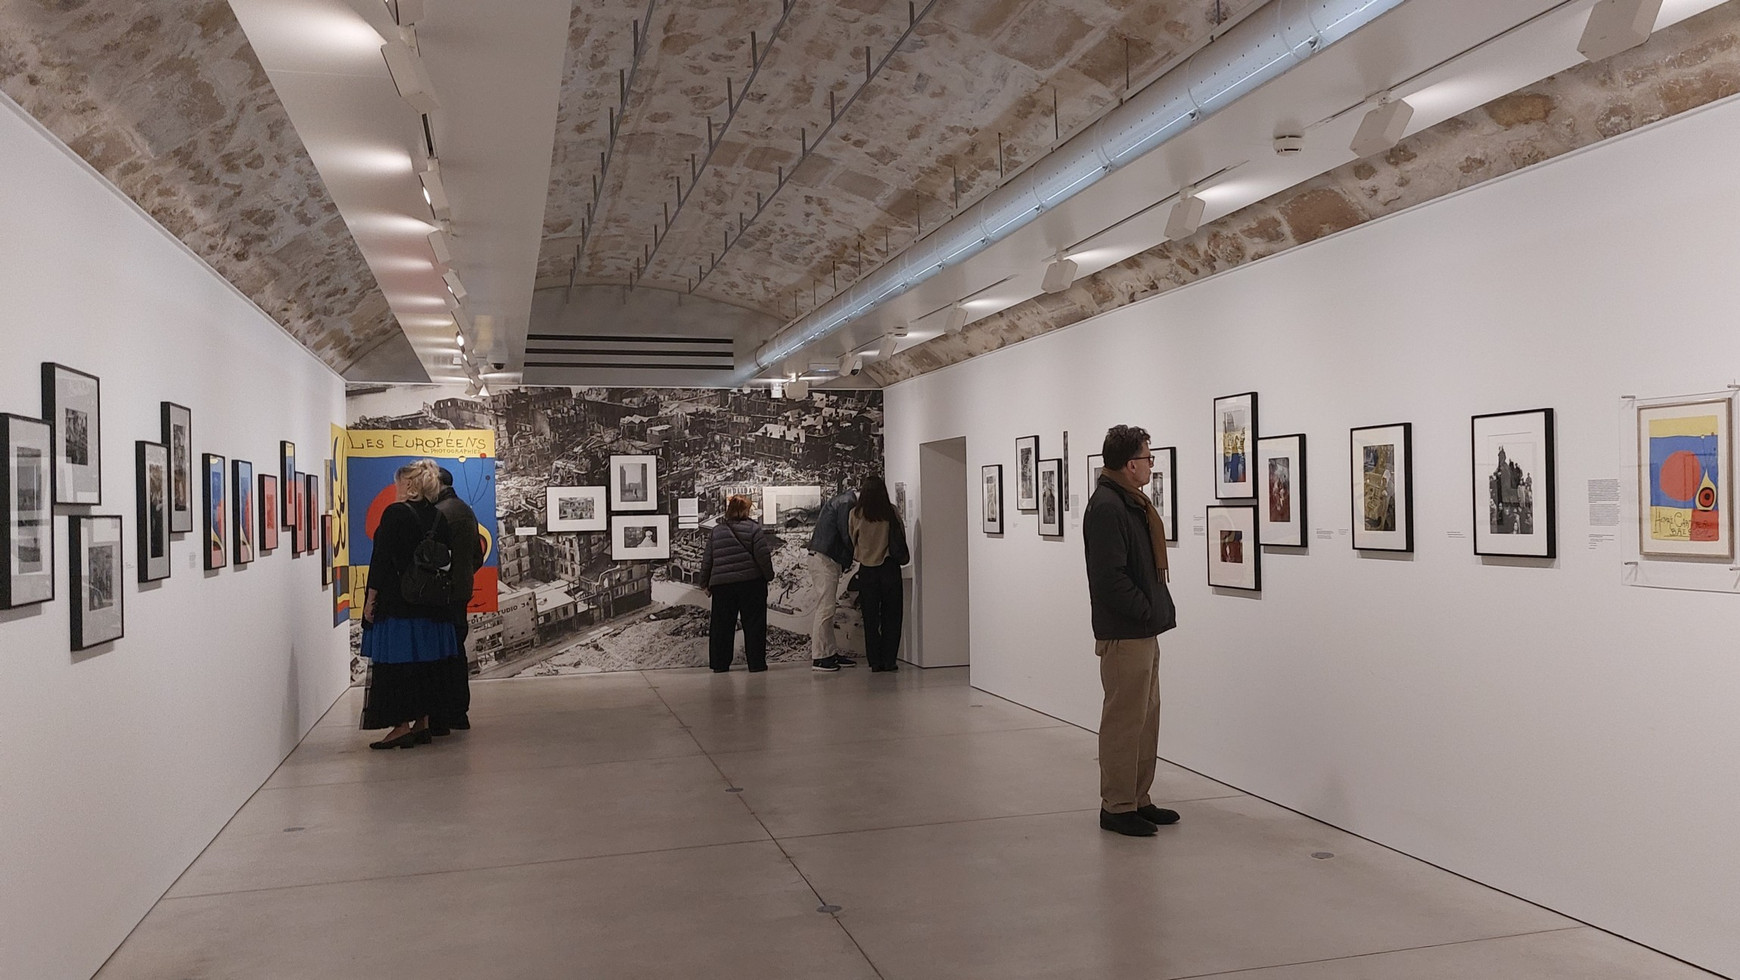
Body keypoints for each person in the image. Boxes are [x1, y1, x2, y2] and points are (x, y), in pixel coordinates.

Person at [1083, 425, 1180, 836]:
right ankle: (1117, 806)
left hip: (1142, 629)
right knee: (1124, 720)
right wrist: (1144, 611)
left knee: (1145, 718)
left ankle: (1138, 798)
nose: (1151, 466)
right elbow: (1110, 578)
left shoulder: (1129, 503)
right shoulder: (1108, 507)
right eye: (1148, 458)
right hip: (1125, 632)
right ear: (1129, 464)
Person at [360, 459, 464, 749]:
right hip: (432, 604)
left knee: (397, 667)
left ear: (407, 485)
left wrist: (371, 600)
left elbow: (380, 560)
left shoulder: (395, 513)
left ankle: (401, 727)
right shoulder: (437, 516)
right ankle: (423, 724)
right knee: (426, 667)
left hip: (399, 604)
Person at [431, 467, 482, 734]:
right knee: (456, 651)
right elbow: (478, 557)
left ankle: (440, 716)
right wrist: (462, 577)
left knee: (440, 654)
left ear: (437, 483)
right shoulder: (464, 510)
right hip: (460, 592)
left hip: (441, 595)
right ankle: (458, 713)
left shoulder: (439, 513)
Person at [700, 494, 776, 672]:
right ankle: (756, 663)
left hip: (723, 586)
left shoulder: (716, 531)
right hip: (751, 583)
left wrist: (704, 583)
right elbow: (763, 557)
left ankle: (720, 664)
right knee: (754, 624)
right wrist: (769, 576)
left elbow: (707, 560)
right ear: (745, 510)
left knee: (722, 625)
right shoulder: (754, 529)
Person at [849, 475, 910, 672]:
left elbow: (852, 540)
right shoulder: (890, 512)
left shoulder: (855, 514)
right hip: (889, 567)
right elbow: (901, 535)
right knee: (892, 616)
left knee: (871, 618)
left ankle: (874, 661)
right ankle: (889, 659)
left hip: (867, 570)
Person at [805, 485, 858, 672]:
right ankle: (820, 657)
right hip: (825, 559)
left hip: (824, 557)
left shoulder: (843, 500)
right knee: (825, 609)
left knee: (827, 608)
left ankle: (829, 652)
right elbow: (847, 534)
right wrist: (859, 553)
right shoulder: (847, 502)